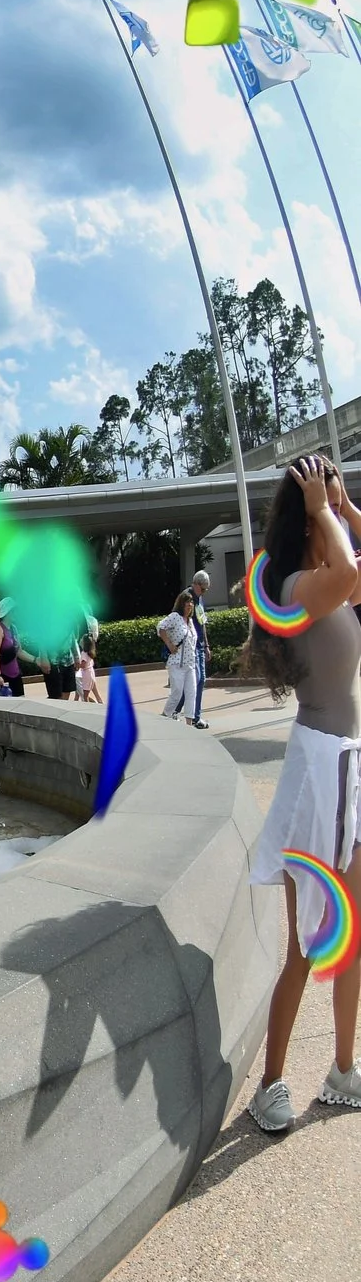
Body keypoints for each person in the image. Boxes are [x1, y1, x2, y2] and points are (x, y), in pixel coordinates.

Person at [239, 455, 361, 1130]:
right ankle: (272, 1084)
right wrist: (322, 508)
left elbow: (357, 567)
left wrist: (342, 512)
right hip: (318, 772)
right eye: (332, 495)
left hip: (348, 767)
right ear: (308, 506)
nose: (338, 508)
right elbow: (346, 571)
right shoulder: (296, 584)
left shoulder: (332, 584)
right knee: (307, 945)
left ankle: (343, 1070)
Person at [157, 593, 197, 720]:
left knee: (191, 694)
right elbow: (160, 627)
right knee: (177, 693)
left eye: (191, 602)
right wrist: (169, 644)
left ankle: (189, 724)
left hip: (190, 663)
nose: (190, 605)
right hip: (177, 663)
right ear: (181, 603)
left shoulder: (190, 621)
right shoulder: (175, 617)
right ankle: (165, 716)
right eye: (187, 602)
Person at [186, 568, 213, 729]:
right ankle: (177, 712)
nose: (203, 592)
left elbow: (202, 623)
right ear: (196, 584)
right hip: (190, 646)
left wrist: (207, 645)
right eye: (202, 589)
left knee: (201, 679)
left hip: (200, 646)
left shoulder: (200, 600)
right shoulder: (187, 597)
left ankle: (196, 717)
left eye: (205, 590)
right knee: (193, 681)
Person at [74, 617, 102, 704]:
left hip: (85, 673)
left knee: (84, 693)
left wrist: (76, 666)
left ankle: (86, 705)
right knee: (93, 689)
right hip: (90, 672)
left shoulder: (84, 654)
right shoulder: (90, 652)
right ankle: (100, 701)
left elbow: (83, 664)